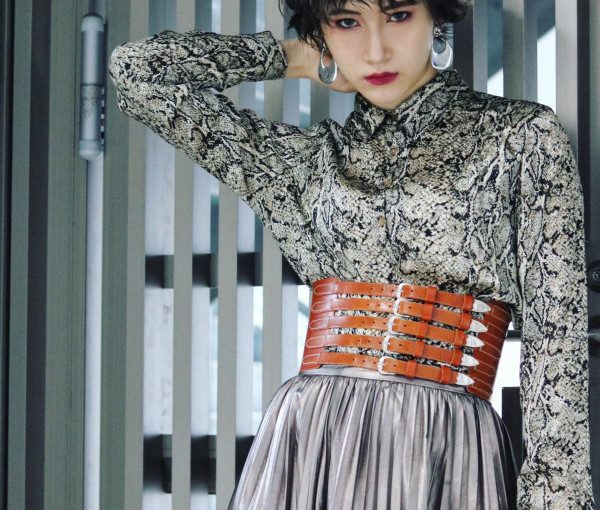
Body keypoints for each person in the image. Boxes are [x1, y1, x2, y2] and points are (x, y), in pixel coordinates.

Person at [108, 0, 596, 508]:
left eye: (398, 15)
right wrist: (297, 56)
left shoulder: (520, 138)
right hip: (314, 443)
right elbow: (137, 74)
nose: (375, 50)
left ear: (437, 16)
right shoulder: (303, 164)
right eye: (347, 22)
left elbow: (556, 337)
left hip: (445, 447)